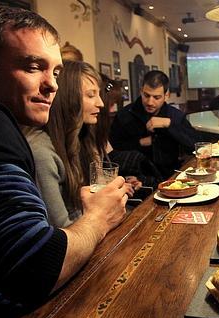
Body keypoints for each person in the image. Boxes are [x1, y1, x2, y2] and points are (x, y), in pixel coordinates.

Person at [0, 7, 132, 318]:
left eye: (56, 72)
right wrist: (99, 218)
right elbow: (35, 267)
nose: (52, 85)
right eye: (33, 66)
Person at [23, 60, 138, 227]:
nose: (101, 103)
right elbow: (61, 227)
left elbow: (94, 195)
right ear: (68, 98)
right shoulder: (41, 151)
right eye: (91, 95)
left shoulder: (83, 137)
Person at [109, 70, 199, 178]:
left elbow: (196, 146)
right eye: (146, 95)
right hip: (135, 179)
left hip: (171, 176)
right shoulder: (124, 115)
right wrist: (140, 142)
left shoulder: (175, 116)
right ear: (141, 91)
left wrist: (170, 124)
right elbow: (113, 152)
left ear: (166, 95)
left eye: (156, 97)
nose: (150, 102)